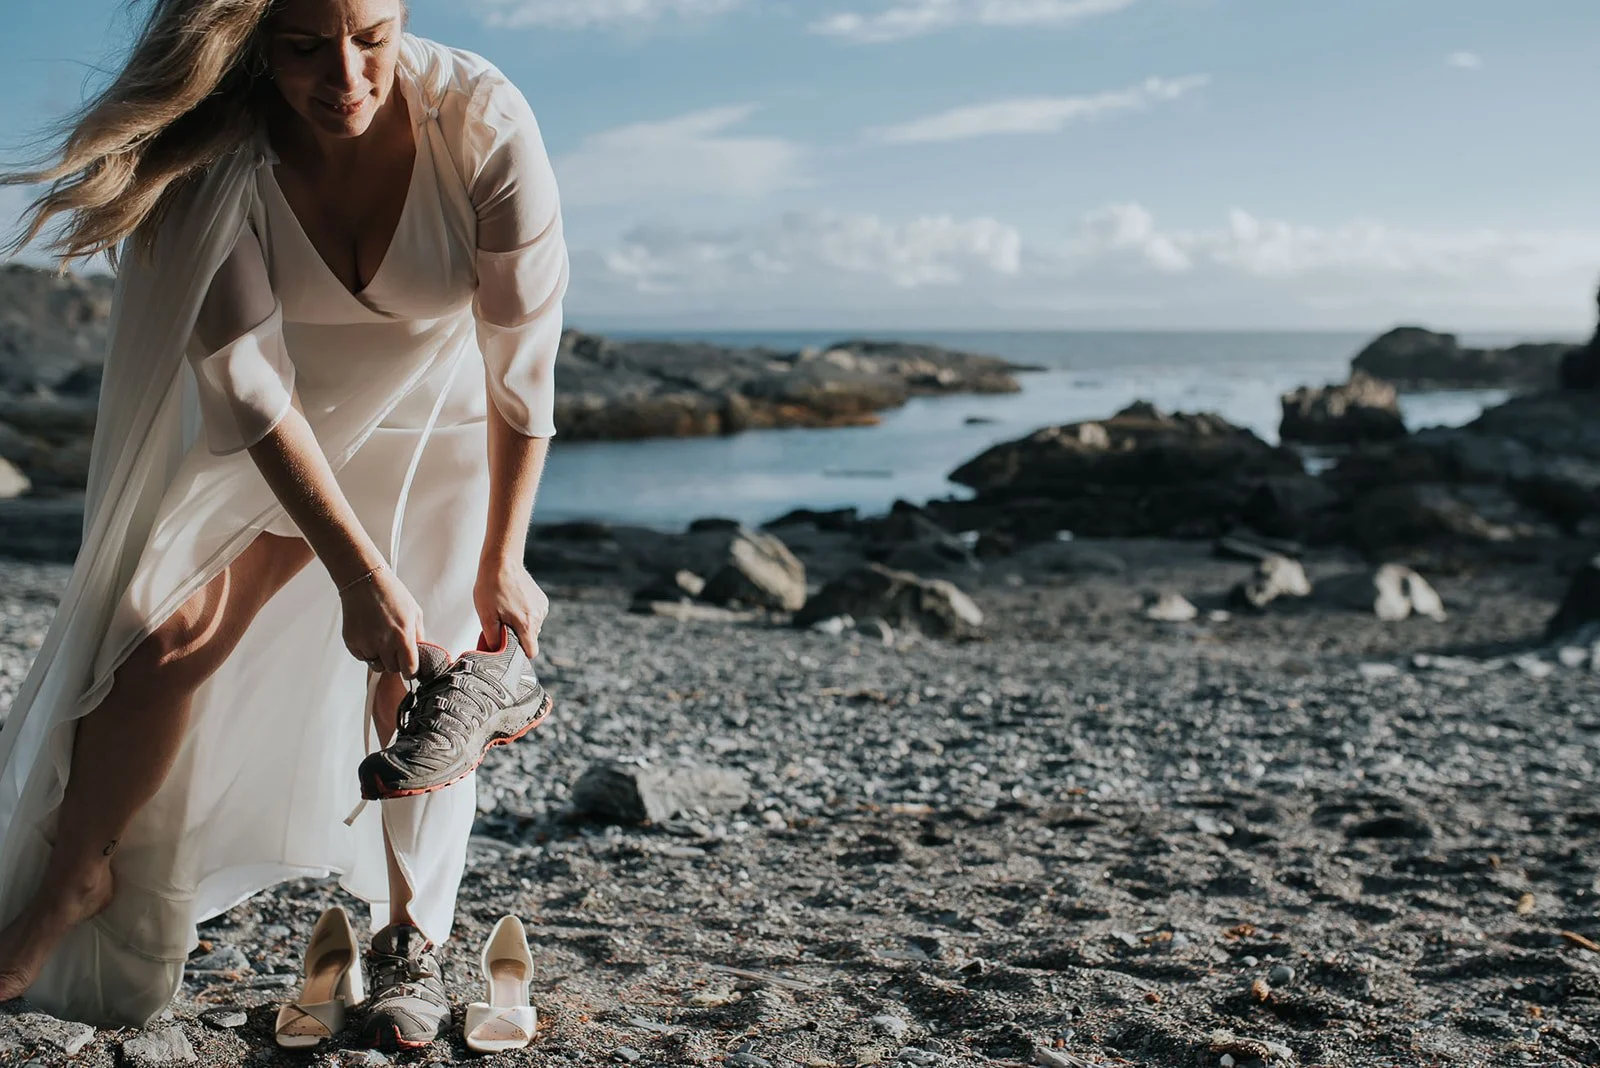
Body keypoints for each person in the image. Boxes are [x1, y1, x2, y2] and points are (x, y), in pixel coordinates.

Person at [0, 0, 566, 1047]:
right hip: (286, 431)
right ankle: (72, 879)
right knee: (160, 635)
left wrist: (505, 556)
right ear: (252, 43)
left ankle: (410, 942)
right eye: (303, 47)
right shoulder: (210, 154)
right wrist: (353, 571)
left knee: (423, 670)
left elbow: (521, 366)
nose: (344, 76)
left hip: (440, 419)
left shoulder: (481, 118)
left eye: (371, 37)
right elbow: (254, 392)